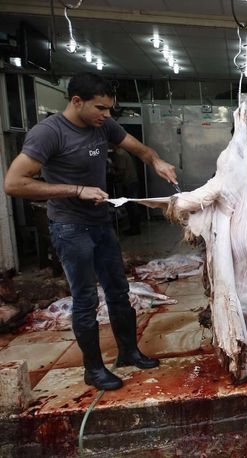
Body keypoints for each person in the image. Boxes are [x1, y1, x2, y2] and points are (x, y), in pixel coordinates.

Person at [4, 72, 178, 391]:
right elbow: (14, 183)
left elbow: (140, 150)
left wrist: (157, 161)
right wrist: (76, 189)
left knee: (118, 290)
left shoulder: (104, 125)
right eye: (101, 108)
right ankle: (93, 369)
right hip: (70, 226)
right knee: (85, 299)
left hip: (100, 222)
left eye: (110, 109)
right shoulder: (49, 133)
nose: (107, 115)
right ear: (76, 101)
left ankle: (128, 352)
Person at [110, 145, 141, 235]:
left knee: (131, 206)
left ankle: (134, 228)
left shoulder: (119, 153)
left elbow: (121, 171)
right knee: (132, 205)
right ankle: (135, 227)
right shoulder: (123, 152)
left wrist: (113, 172)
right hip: (132, 181)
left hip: (129, 182)